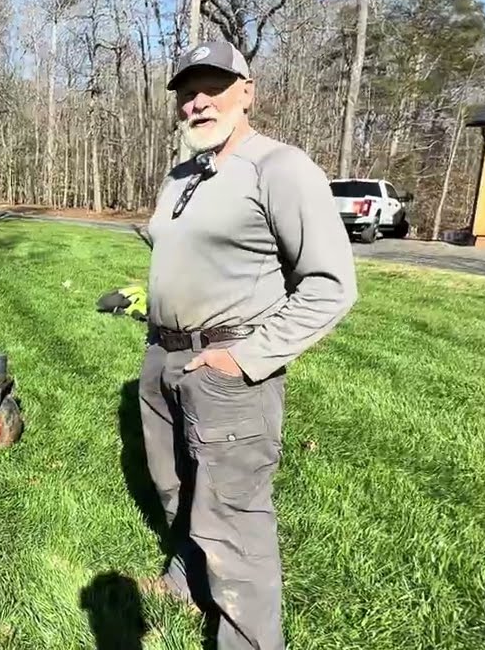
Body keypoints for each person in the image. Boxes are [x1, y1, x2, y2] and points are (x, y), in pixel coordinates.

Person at [137, 40, 358, 650]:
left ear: (247, 91)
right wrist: (151, 298)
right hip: (163, 355)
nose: (198, 102)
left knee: (233, 516)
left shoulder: (280, 167)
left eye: (213, 87)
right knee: (174, 485)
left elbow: (331, 286)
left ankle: (249, 641)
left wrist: (245, 359)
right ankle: (187, 582)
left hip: (228, 366)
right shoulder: (184, 172)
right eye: (187, 91)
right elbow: (193, 254)